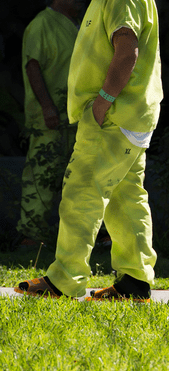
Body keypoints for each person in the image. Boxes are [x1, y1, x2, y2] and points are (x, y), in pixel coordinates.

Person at [15, 0, 163, 302]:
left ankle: (64, 281)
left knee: (81, 191)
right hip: (130, 114)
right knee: (126, 198)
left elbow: (127, 52)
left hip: (112, 116)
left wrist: (102, 102)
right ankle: (134, 283)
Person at [16, 0, 84, 246]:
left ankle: (73, 237)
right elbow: (32, 66)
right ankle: (31, 236)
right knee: (42, 172)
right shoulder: (41, 24)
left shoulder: (77, 24)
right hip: (49, 118)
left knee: (76, 177)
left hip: (74, 116)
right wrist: (47, 106)